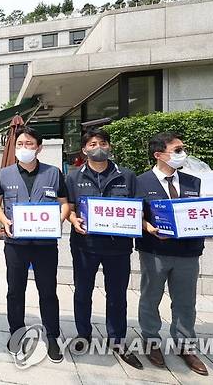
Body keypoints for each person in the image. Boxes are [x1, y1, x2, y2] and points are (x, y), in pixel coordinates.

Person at [0, 126, 69, 363]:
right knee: (15, 290)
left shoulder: (54, 173)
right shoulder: (4, 174)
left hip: (45, 244)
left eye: (30, 144)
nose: (24, 148)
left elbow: (65, 204)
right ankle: (16, 332)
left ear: (39, 148)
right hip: (16, 243)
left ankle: (52, 336)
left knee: (47, 290)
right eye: (20, 144)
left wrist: (57, 221)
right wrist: (4, 221)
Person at [65, 128, 143, 369]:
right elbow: (68, 206)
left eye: (102, 142)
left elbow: (138, 209)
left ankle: (117, 339)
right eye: (92, 143)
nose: (97, 146)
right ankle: (83, 334)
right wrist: (73, 220)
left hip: (117, 246)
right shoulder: (73, 177)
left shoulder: (127, 176)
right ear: (84, 149)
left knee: (117, 295)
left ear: (109, 147)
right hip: (84, 245)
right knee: (82, 291)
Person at [136, 132, 208, 375]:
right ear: (158, 155)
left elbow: (200, 212)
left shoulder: (192, 182)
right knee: (150, 297)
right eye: (177, 150)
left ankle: (185, 345)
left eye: (182, 149)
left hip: (188, 252)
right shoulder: (140, 182)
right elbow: (135, 215)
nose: (182, 154)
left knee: (186, 301)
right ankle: (150, 340)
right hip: (154, 250)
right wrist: (148, 227)